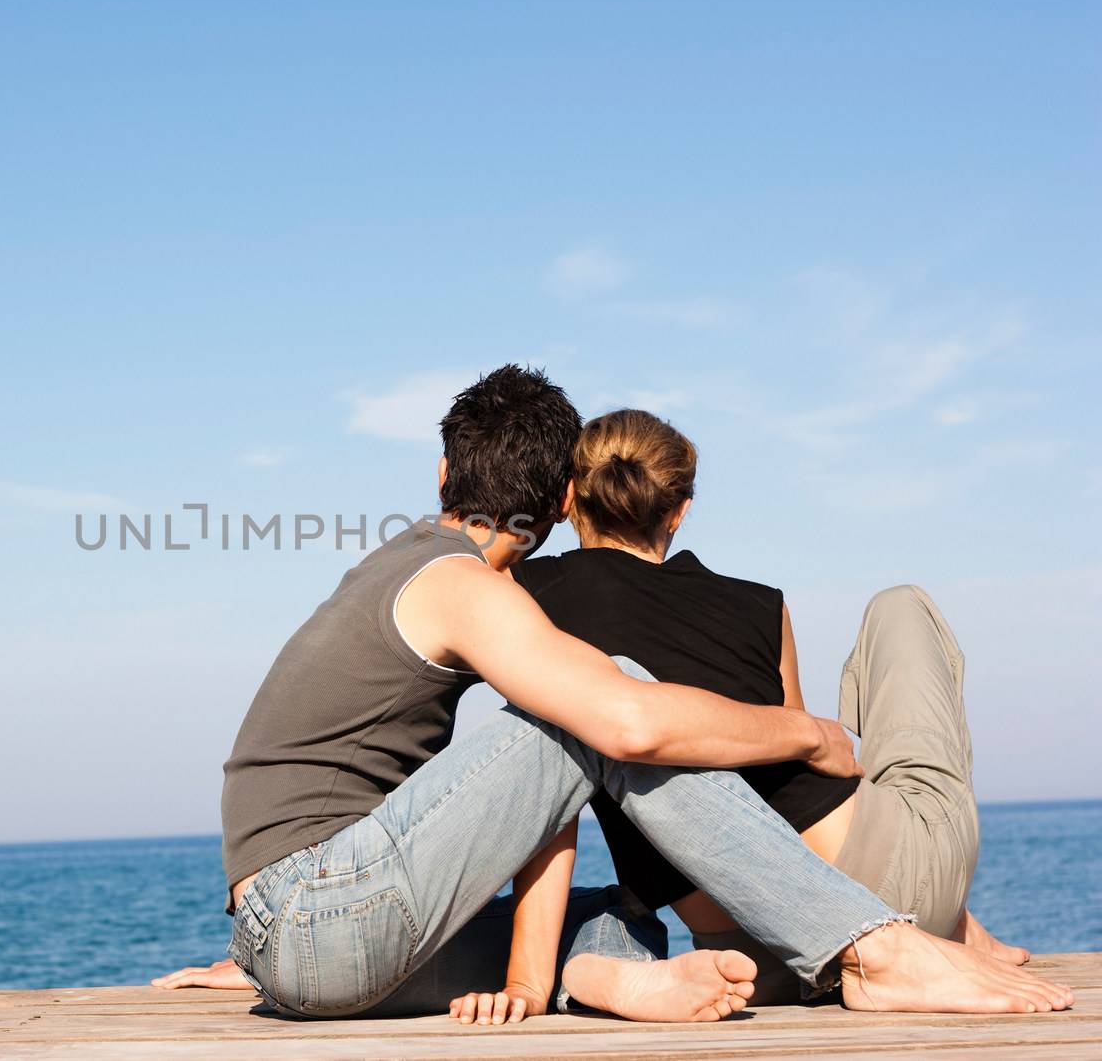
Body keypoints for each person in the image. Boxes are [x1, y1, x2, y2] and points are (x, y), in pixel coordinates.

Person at [153, 366, 1071, 1022]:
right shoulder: (470, 590)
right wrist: (804, 731)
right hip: (323, 909)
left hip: (305, 933)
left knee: (615, 908)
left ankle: (609, 980)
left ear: (442, 474)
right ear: (560, 500)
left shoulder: (398, 566)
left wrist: (278, 957)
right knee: (609, 699)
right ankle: (870, 948)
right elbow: (623, 721)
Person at [447, 408, 1029, 1024]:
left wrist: (526, 979)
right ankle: (955, 921)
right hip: (893, 887)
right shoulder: (761, 605)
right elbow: (802, 769)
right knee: (901, 606)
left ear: (570, 498)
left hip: (754, 957)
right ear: (679, 509)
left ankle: (956, 927)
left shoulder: (530, 597)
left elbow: (546, 799)